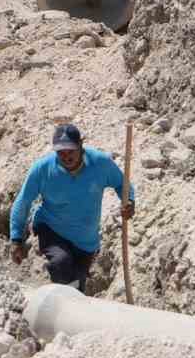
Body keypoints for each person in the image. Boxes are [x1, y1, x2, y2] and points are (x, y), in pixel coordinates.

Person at [8, 123, 135, 293]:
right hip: (52, 228)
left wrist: (129, 202)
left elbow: (122, 184)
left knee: (77, 285)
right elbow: (23, 201)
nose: (66, 157)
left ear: (81, 146)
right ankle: (60, 302)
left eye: (71, 151)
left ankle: (67, 306)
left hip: (86, 241)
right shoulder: (43, 169)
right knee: (61, 262)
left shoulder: (100, 164)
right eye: (61, 152)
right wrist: (16, 238)